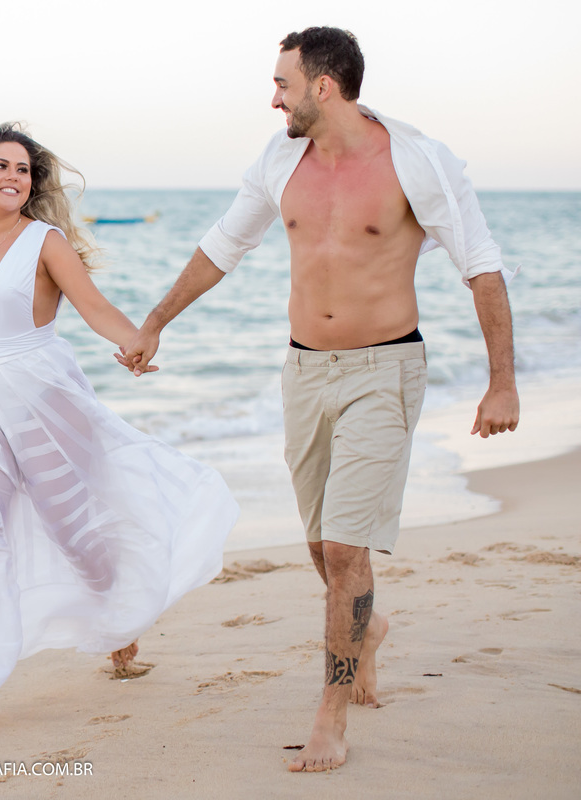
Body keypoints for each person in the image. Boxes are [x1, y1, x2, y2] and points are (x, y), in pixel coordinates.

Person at [118, 27, 519, 771]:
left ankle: (331, 715)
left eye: (283, 84)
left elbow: (482, 266)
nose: (273, 98)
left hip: (384, 368)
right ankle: (367, 629)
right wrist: (154, 323)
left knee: (344, 547)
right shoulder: (280, 161)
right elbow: (221, 248)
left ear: (324, 86)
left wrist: (502, 381)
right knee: (319, 546)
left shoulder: (415, 162)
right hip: (304, 372)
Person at [0, 122, 239, 719]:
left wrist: (135, 343)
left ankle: (121, 623)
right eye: (1, 166)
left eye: (22, 169)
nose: (13, 176)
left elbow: (93, 306)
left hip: (44, 397)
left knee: (71, 526)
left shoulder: (45, 241)